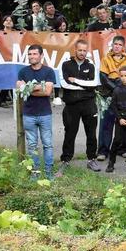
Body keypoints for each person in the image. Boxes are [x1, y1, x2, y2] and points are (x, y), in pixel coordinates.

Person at [59, 39, 102, 171]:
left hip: (89, 104)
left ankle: (91, 159)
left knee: (91, 133)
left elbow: (94, 84)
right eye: (80, 50)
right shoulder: (65, 65)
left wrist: (76, 81)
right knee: (70, 133)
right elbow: (64, 84)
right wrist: (85, 85)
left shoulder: (91, 66)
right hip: (71, 106)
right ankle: (66, 160)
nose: (82, 53)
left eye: (84, 50)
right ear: (75, 50)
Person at [16, 45, 58, 179]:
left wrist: (29, 88)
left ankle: (48, 171)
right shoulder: (23, 72)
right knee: (32, 145)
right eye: (29, 54)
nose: (32, 56)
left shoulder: (49, 71)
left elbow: (48, 92)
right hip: (29, 114)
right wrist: (40, 87)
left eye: (34, 54)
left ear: (41, 56)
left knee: (47, 144)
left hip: (45, 113)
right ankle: (35, 171)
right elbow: (21, 89)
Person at [98, 36, 126, 161]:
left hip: (125, 94)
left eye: (120, 44)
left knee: (124, 123)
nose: (117, 47)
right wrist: (116, 89)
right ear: (112, 45)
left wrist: (121, 89)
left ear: (123, 46)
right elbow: (103, 77)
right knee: (106, 124)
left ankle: (123, 149)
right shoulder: (105, 59)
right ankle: (103, 151)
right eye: (115, 44)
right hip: (109, 93)